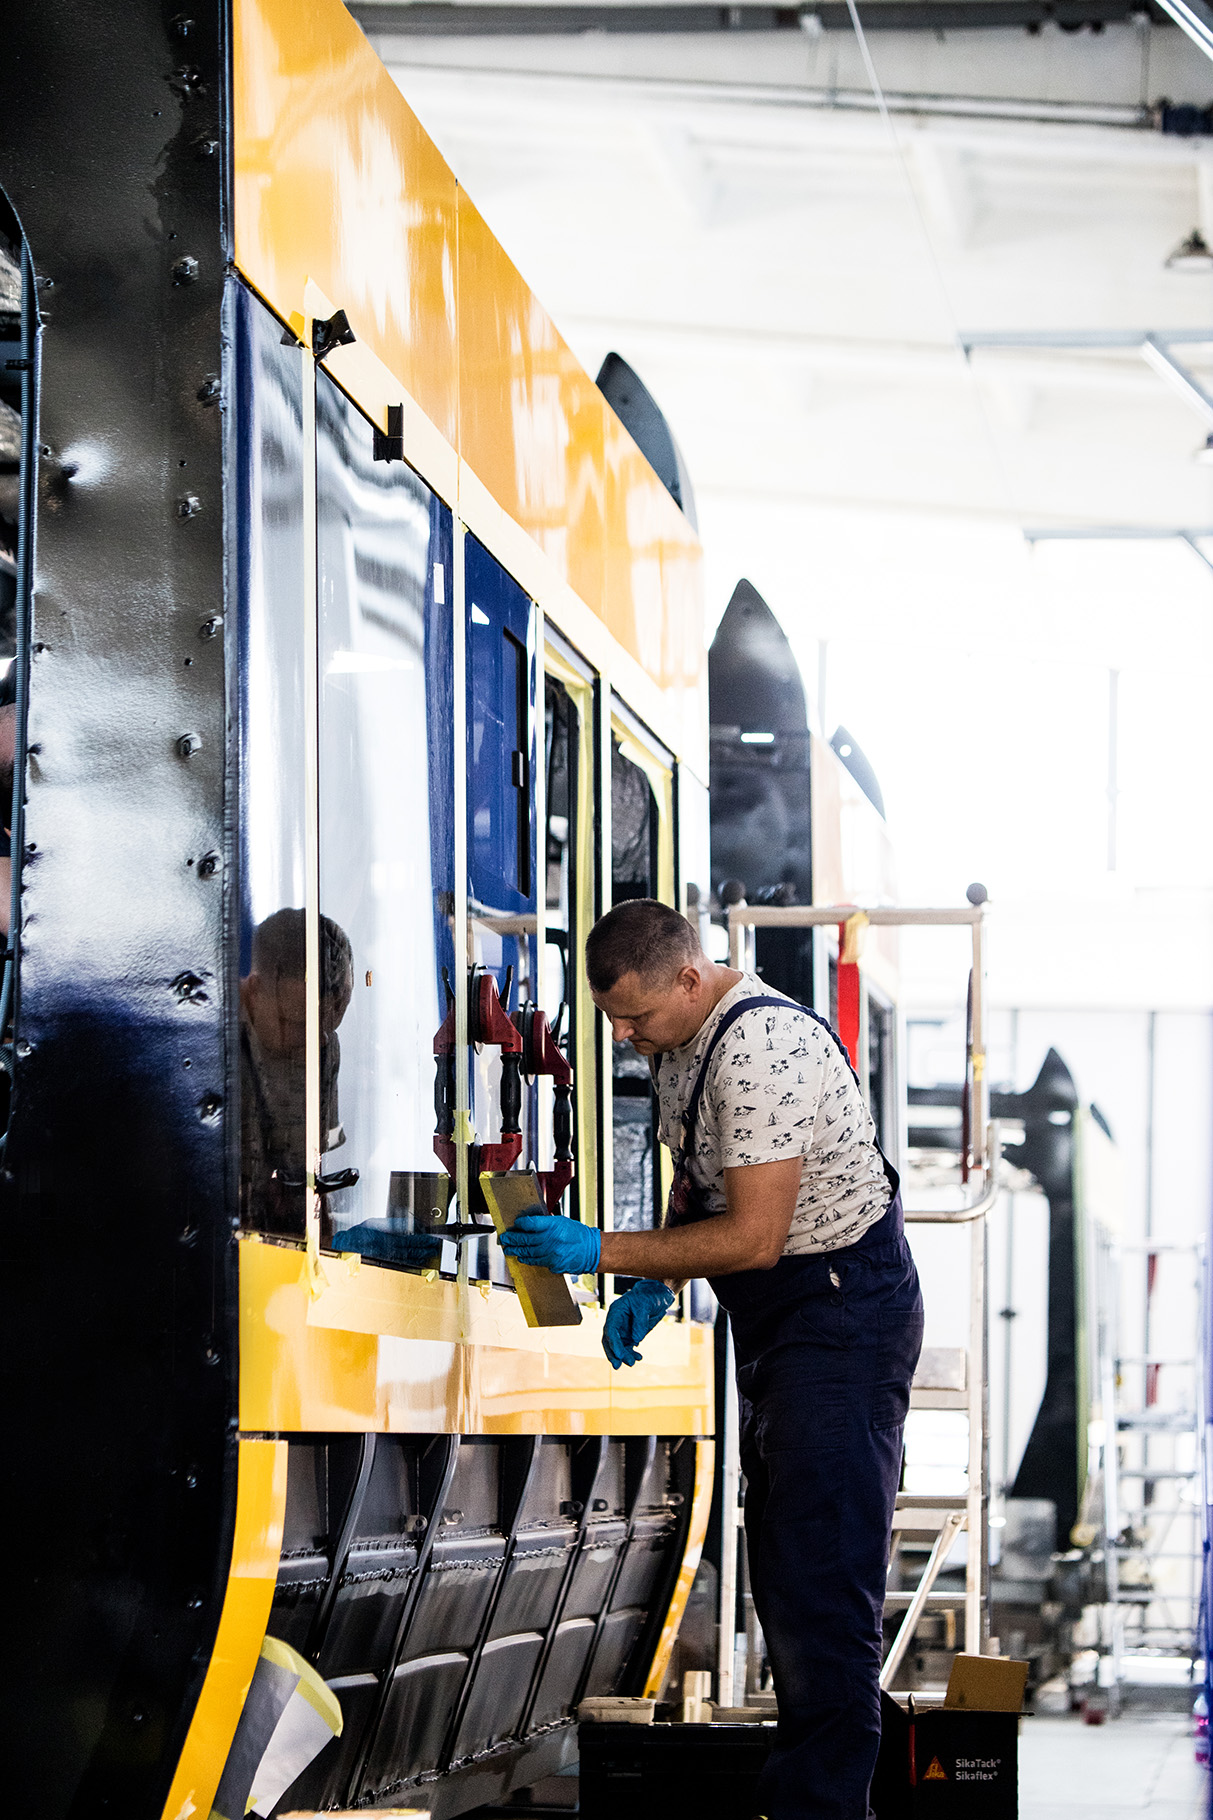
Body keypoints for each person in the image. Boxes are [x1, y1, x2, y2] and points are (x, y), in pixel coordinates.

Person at [499, 897, 923, 1820]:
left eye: (636, 1015)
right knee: (787, 1569)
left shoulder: (762, 1048)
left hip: (839, 1313)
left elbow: (755, 1238)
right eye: (611, 1017)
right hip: (790, 1318)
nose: (622, 1036)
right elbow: (702, 1177)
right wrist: (658, 1278)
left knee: (820, 1576)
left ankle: (824, 1810)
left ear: (690, 977)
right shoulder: (681, 1038)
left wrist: (602, 1252)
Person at [239, 907, 353, 1239]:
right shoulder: (206, 1047)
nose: (317, 1041)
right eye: (298, 1025)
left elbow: (313, 1169)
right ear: (255, 990)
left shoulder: (323, 1046)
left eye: (329, 1026)